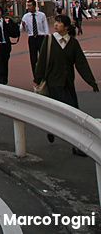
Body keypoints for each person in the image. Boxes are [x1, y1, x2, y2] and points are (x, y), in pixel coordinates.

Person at [34, 14, 98, 156]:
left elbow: (81, 63)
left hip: (68, 83)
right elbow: (42, 61)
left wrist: (91, 81)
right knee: (70, 114)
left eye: (59, 22)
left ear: (67, 27)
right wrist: (37, 79)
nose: (56, 24)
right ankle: (72, 142)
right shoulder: (49, 40)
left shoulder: (73, 43)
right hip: (53, 83)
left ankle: (57, 132)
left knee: (71, 113)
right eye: (56, 22)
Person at [21, 0, 50, 75]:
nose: (28, 7)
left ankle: (44, 74)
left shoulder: (42, 15)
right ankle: (36, 75)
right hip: (32, 38)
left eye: (30, 5)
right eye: (28, 6)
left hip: (41, 37)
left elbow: (45, 27)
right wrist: (23, 25)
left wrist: (47, 36)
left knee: (43, 56)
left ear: (34, 6)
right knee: (33, 58)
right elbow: (22, 29)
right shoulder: (25, 16)